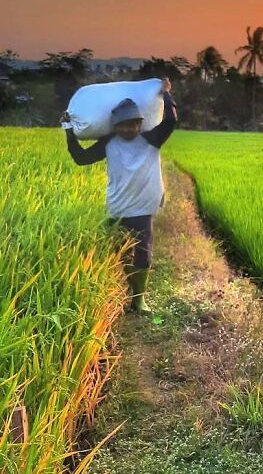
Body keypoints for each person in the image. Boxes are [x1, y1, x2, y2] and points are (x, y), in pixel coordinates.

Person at [61, 78, 177, 313]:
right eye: (121, 126)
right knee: (118, 252)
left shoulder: (152, 139)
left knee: (143, 254)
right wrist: (69, 130)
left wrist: (166, 93)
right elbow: (81, 158)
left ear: (140, 123)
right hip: (117, 206)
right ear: (114, 126)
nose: (126, 129)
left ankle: (139, 299)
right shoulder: (108, 143)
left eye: (131, 124)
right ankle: (123, 290)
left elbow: (171, 121)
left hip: (143, 206)